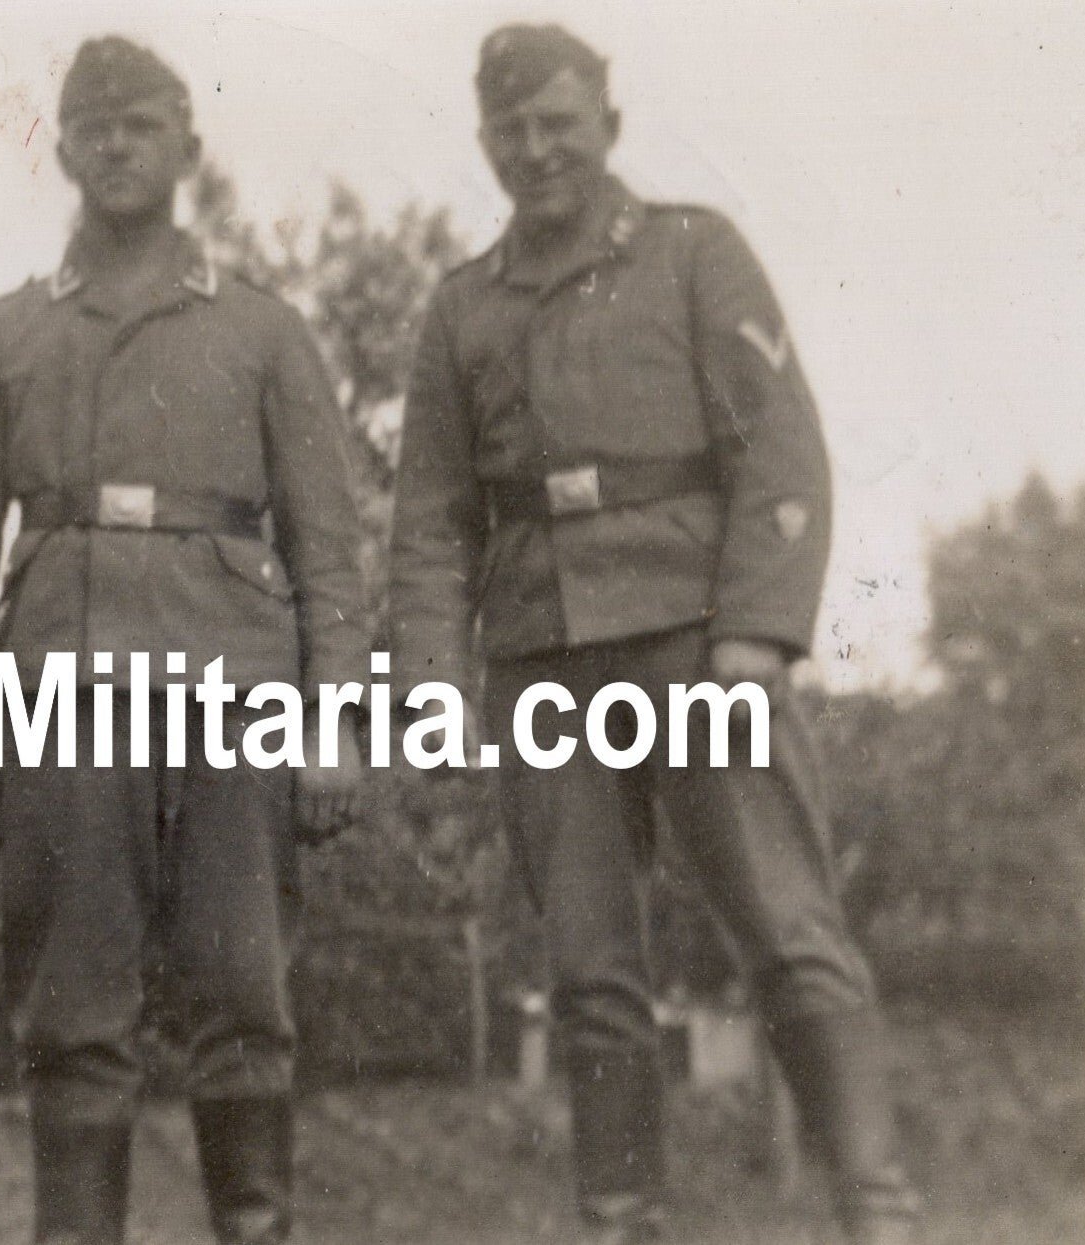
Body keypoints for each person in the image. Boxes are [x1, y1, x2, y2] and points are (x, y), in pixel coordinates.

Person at [386, 24, 919, 1245]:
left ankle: (875, 1213)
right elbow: (430, 516)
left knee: (788, 935)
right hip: (539, 662)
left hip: (692, 638)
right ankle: (621, 1221)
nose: (536, 150)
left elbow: (778, 446)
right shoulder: (460, 309)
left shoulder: (693, 252)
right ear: (483, 145)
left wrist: (755, 633)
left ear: (607, 125)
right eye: (510, 131)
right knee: (588, 973)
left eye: (557, 123)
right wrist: (426, 680)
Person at [0, 36, 369, 1245]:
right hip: (61, 689)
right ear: (58, 149)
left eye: (140, 126)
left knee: (241, 995)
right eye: (92, 127)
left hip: (235, 690)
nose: (115, 147)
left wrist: (336, 723)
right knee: (72, 1007)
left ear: (186, 147)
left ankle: (254, 1231)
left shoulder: (262, 332)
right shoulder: (3, 335)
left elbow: (327, 544)